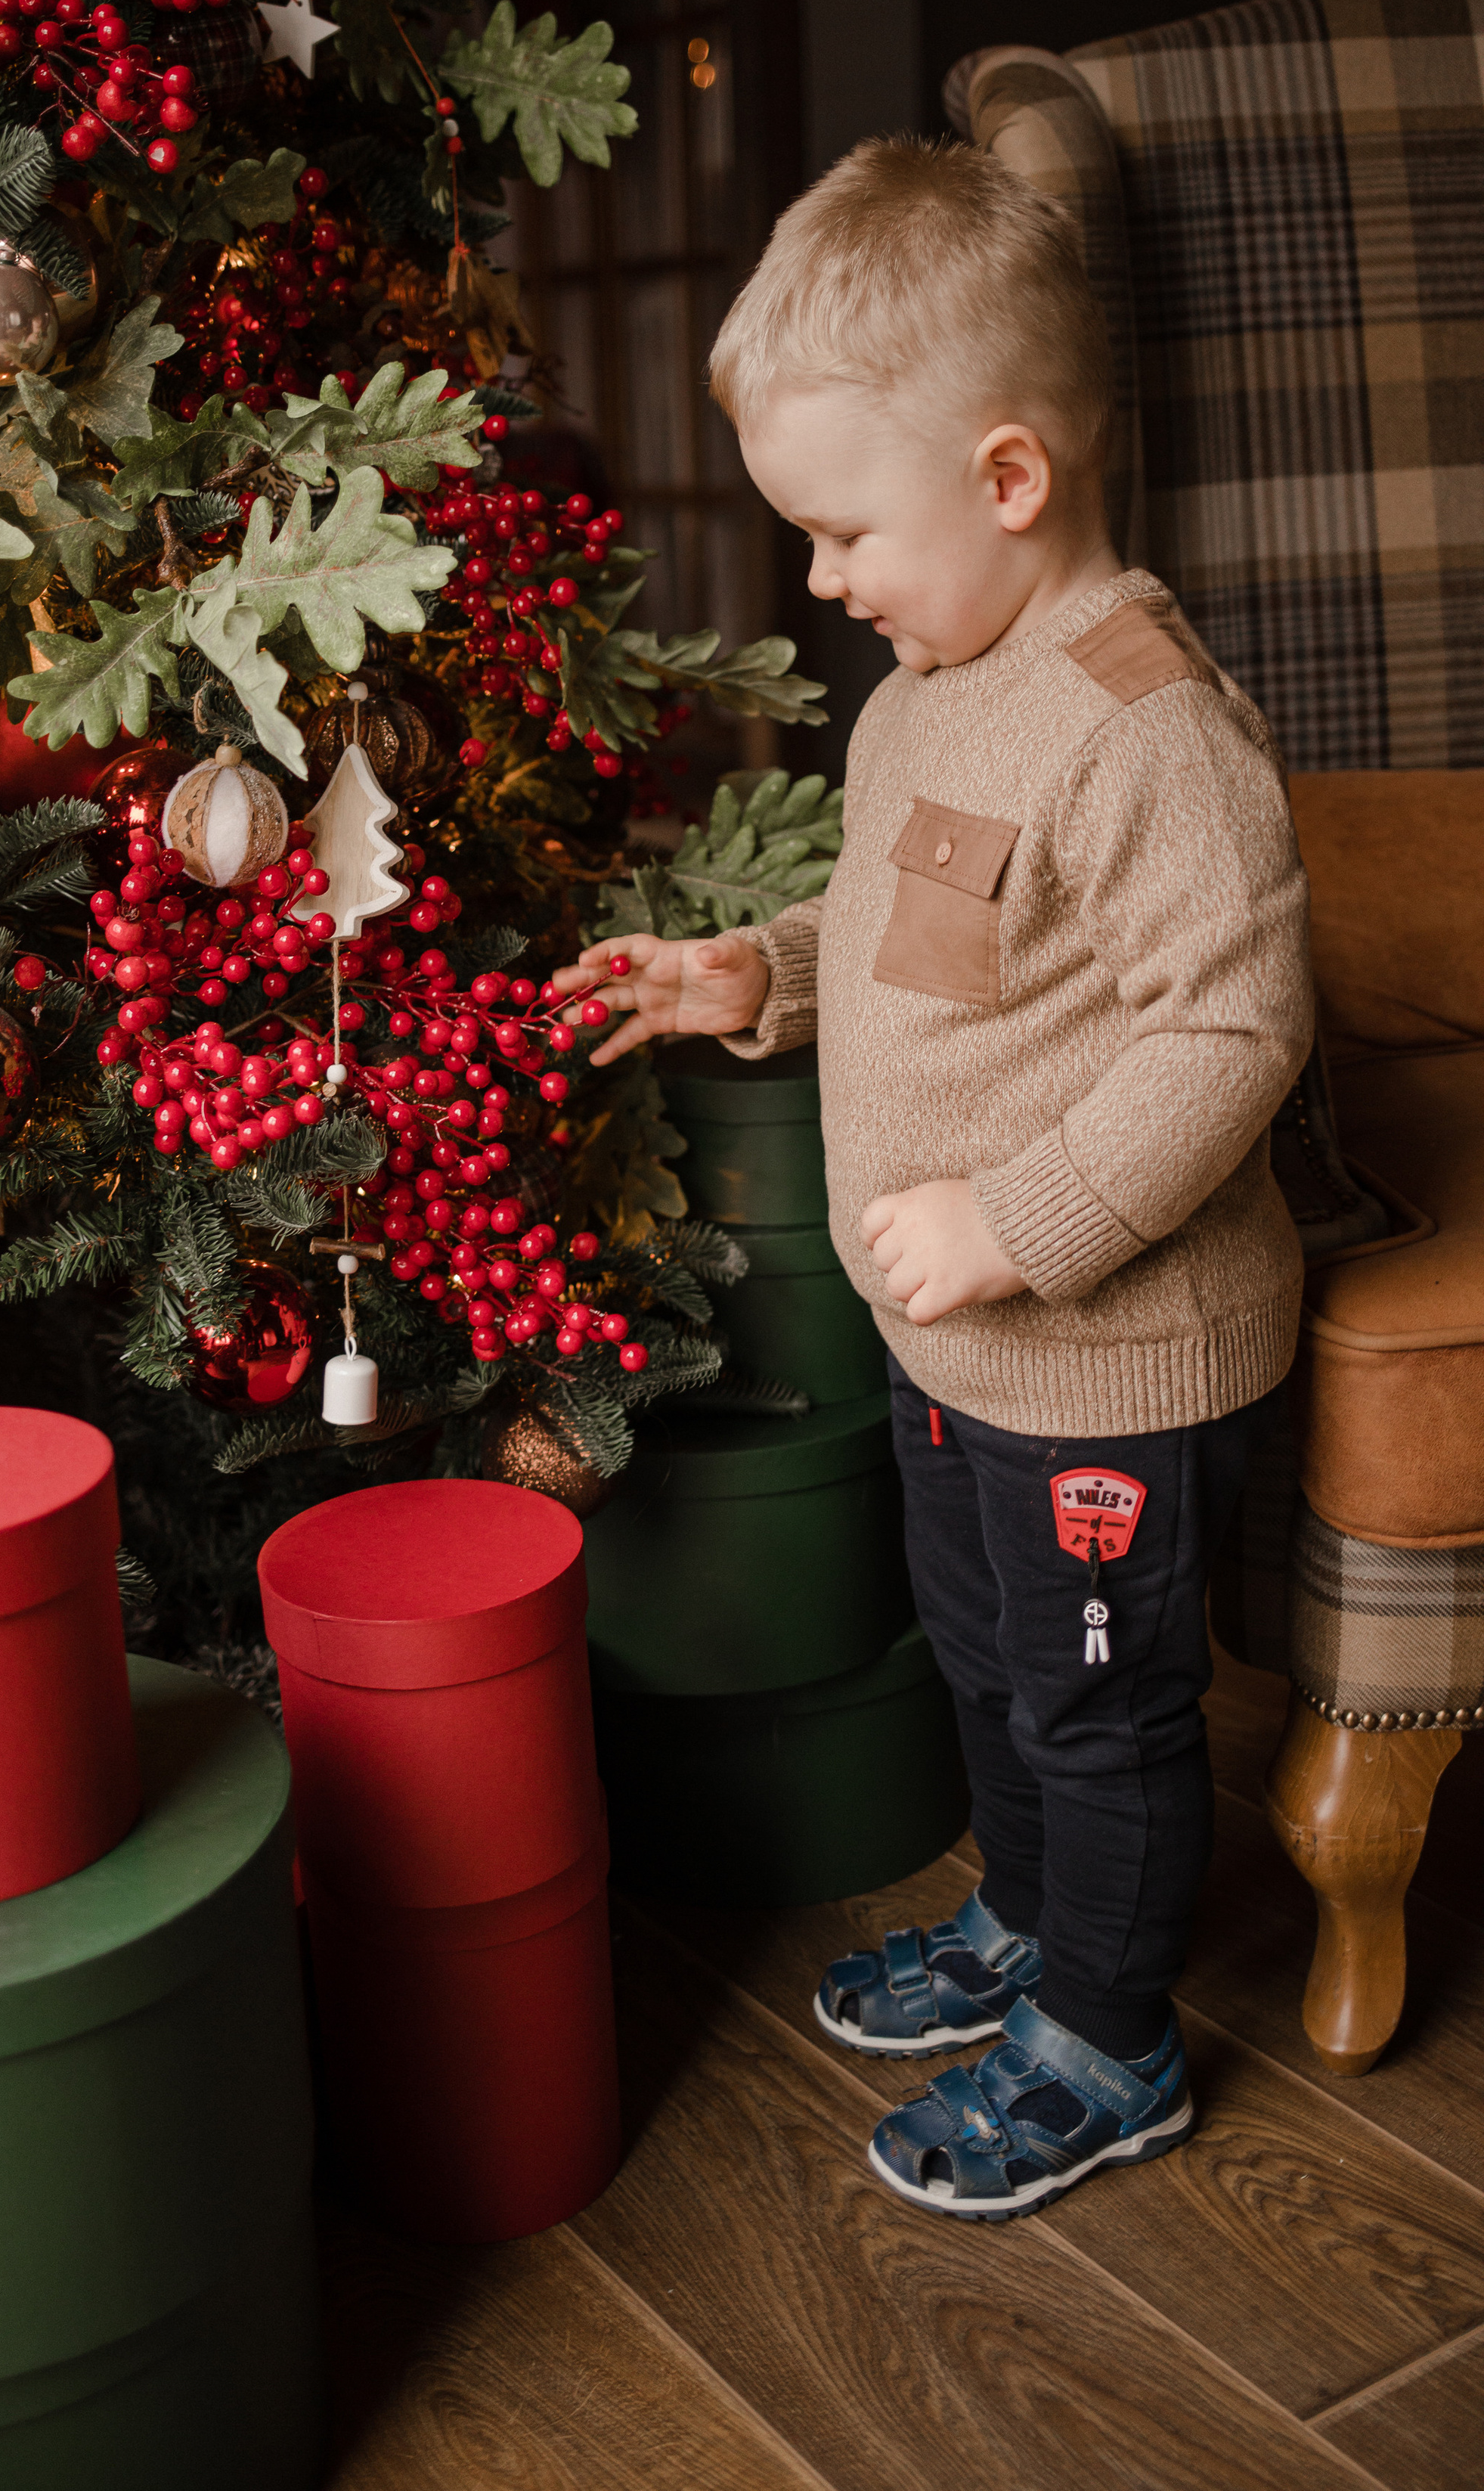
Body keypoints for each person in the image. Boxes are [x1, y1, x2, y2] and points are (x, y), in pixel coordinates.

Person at [553, 136, 1311, 2222]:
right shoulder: (926, 701)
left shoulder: (1146, 729)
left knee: (1097, 1705)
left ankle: (1112, 2035)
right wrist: (754, 978)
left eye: (839, 531)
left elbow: (1233, 1036)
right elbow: (908, 958)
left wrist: (1014, 1226)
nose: (821, 580)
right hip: (955, 1347)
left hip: (1111, 1361)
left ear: (1006, 480)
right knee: (992, 1666)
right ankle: (1032, 1929)